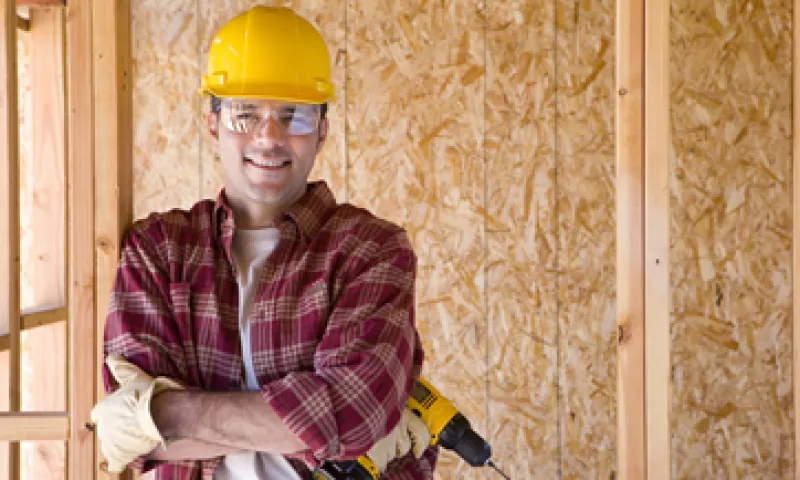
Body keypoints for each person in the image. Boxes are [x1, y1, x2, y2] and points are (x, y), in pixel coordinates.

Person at [89, 5, 438, 479]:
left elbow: (352, 412)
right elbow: (131, 438)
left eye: (294, 116)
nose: (269, 136)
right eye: (245, 114)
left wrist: (168, 412)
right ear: (213, 126)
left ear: (322, 132)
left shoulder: (370, 250)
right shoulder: (159, 252)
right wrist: (314, 428)